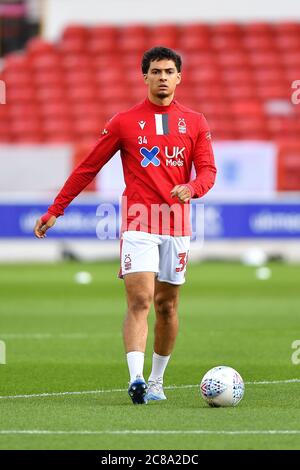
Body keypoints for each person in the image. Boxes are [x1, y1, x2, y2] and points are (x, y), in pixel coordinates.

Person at [34, 46, 217, 405]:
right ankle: (135, 379)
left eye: (169, 71)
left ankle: (157, 381)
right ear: (144, 76)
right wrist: (57, 208)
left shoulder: (195, 122)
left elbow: (208, 171)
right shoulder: (124, 122)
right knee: (140, 299)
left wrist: (192, 188)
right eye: (156, 71)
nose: (162, 77)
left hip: (176, 225)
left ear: (179, 77)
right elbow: (89, 166)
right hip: (138, 222)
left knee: (167, 306)